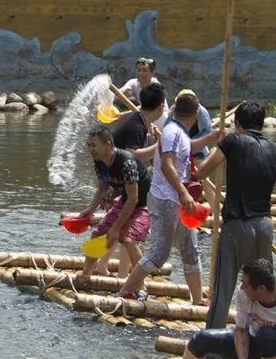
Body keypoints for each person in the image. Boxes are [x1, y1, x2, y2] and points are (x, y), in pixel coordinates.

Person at [196, 101, 276, 329]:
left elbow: (204, 170)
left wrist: (213, 151)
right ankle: (265, 335)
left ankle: (212, 345)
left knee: (223, 289)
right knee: (264, 288)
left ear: (237, 124)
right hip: (264, 226)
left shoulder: (232, 141)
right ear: (262, 124)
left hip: (237, 226)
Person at [118, 93, 219, 304]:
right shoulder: (172, 132)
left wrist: (211, 138)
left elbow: (188, 148)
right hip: (166, 199)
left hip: (179, 201)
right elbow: (167, 164)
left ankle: (198, 299)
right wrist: (183, 192)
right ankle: (125, 291)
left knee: (191, 251)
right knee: (158, 254)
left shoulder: (178, 131)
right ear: (196, 114)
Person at [79, 127, 151, 278]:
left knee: (130, 241)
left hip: (146, 205)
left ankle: (140, 287)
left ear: (108, 145)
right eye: (89, 145)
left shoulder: (126, 162)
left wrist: (116, 228)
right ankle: (85, 276)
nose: (91, 150)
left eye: (94, 145)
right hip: (125, 201)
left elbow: (134, 199)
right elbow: (102, 188)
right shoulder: (99, 162)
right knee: (97, 235)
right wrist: (90, 210)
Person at [118, 57, 169, 124]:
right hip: (148, 116)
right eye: (139, 70)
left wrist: (123, 115)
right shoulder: (134, 82)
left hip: (161, 117)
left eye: (144, 71)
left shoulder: (155, 86)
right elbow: (119, 92)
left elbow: (144, 107)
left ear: (152, 73)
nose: (141, 73)